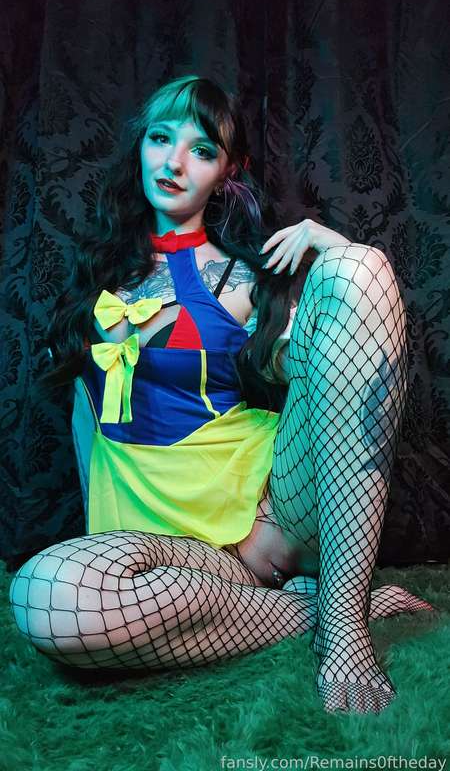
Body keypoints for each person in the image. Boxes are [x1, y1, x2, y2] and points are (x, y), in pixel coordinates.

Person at [8, 75, 433, 715]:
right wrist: (109, 551)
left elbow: (337, 374)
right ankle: (310, 608)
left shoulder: (244, 278)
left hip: (266, 517)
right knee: (44, 593)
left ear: (228, 172)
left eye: (202, 150)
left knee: (359, 266)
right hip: (168, 554)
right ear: (139, 147)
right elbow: (86, 422)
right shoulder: (96, 279)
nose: (174, 163)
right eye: (160, 139)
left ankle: (345, 632)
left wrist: (342, 254)